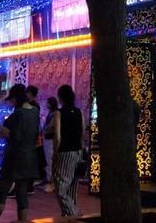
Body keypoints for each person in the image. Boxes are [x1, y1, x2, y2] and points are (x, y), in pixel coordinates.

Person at [0, 84, 39, 223]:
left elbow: (12, 135)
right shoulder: (35, 111)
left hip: (15, 157)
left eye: (12, 99)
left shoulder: (18, 114)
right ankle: (23, 221)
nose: (11, 102)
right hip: (29, 157)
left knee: (2, 191)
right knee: (22, 193)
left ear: (16, 98)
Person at [53, 84, 84, 217]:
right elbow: (82, 133)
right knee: (72, 186)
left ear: (60, 97)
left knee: (60, 187)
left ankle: (74, 214)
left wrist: (55, 153)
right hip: (77, 150)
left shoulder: (58, 113)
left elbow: (57, 137)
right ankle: (68, 216)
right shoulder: (79, 112)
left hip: (64, 151)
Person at [26, 85, 47, 187]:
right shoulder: (36, 105)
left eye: (27, 92)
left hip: (31, 134)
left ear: (30, 93)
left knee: (32, 157)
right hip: (35, 133)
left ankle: (31, 180)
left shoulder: (31, 105)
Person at [42, 97, 59, 193]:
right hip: (49, 139)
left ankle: (50, 181)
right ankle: (50, 180)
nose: (46, 104)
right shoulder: (51, 113)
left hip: (50, 139)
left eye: (47, 102)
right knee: (49, 159)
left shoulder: (54, 114)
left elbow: (50, 127)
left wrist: (45, 129)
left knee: (49, 160)